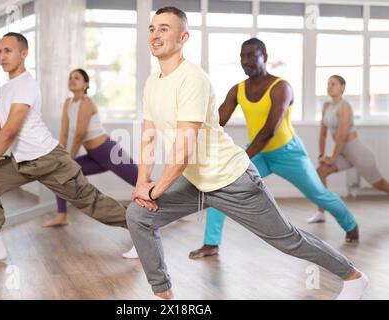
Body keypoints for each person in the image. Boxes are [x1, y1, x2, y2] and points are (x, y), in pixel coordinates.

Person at [126, 7, 368, 300]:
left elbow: (184, 146)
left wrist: (156, 190)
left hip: (233, 179)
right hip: (197, 181)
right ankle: (163, 296)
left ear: (183, 36)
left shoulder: (192, 79)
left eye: (164, 28)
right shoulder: (153, 83)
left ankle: (353, 276)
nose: (155, 34)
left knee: (287, 239)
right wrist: (142, 183)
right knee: (139, 215)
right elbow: (149, 135)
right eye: (152, 28)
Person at [0, 32, 131, 266]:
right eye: (0, 51)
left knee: (91, 202)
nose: (2, 56)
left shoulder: (26, 84)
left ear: (24, 54)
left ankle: (141, 229)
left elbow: (10, 130)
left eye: (8, 51)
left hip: (49, 159)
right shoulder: (4, 90)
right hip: (22, 161)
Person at [189, 38, 360, 261]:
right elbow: (217, 120)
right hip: (258, 152)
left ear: (265, 57)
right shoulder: (238, 90)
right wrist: (192, 131)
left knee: (318, 194)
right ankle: (211, 243)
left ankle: (350, 224)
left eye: (251, 55)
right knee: (222, 186)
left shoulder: (281, 87)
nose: (245, 61)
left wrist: (240, 159)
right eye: (242, 56)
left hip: (288, 153)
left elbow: (270, 130)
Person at [42, 69, 138, 229]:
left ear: (86, 84)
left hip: (108, 152)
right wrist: (61, 156)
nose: (72, 80)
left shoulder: (87, 102)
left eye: (77, 78)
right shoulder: (68, 103)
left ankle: (173, 208)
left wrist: (69, 159)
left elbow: (79, 134)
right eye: (70, 78)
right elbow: (64, 134)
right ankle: (62, 215)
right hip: (94, 155)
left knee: (141, 182)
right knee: (60, 174)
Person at [308, 75, 389, 223]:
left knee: (380, 185)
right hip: (344, 154)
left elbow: (342, 137)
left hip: (359, 155)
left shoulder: (345, 107)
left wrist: (332, 158)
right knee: (321, 171)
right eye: (328, 84)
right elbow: (323, 133)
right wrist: (321, 155)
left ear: (342, 87)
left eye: (333, 84)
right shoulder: (326, 106)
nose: (329, 86)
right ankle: (321, 212)